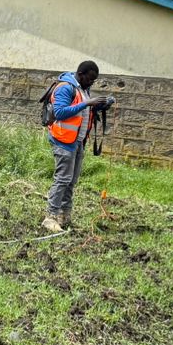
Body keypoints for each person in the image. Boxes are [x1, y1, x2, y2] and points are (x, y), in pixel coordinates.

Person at [43, 60, 114, 233]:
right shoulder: (66, 88)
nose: (91, 83)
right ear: (80, 74)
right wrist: (87, 103)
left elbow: (83, 112)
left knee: (71, 181)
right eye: (90, 79)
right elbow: (60, 112)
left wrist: (100, 105)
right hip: (63, 141)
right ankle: (50, 217)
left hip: (77, 141)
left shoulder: (82, 89)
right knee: (62, 179)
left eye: (93, 80)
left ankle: (64, 216)